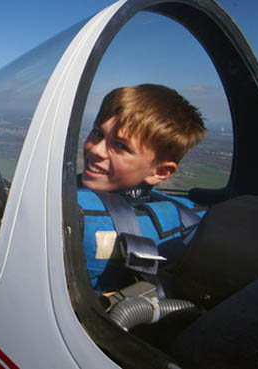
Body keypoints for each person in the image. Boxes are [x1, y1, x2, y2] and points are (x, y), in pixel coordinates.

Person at [78, 84, 206, 293]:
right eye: (97, 133)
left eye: (121, 146)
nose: (96, 149)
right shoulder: (188, 214)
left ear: (160, 172)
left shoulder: (73, 212)